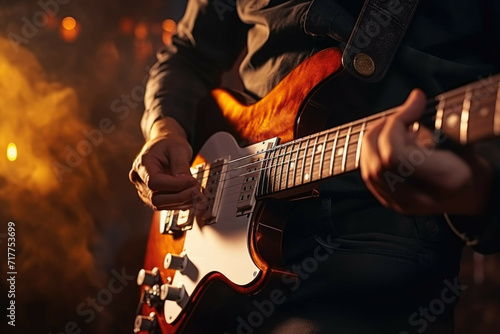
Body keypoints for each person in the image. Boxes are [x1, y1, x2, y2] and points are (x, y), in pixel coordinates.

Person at [129, 1, 500, 333]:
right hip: (220, 229)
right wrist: (165, 125)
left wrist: (477, 187)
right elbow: (188, 54)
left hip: (375, 248)